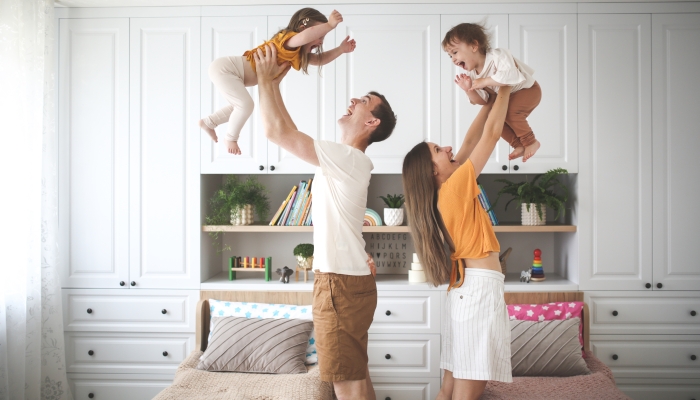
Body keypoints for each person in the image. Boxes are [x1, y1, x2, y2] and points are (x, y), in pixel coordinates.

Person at [253, 44, 397, 400]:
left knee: (345, 384)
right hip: (349, 282)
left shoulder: (346, 158)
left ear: (371, 121)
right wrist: (271, 83)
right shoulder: (346, 159)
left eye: (363, 100)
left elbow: (276, 132)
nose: (353, 100)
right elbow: (286, 128)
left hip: (338, 285)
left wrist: (265, 79)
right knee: (356, 374)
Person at [402, 86, 513, 400]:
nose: (448, 147)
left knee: (450, 386)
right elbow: (489, 137)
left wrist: (487, 103)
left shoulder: (444, 193)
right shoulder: (455, 188)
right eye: (439, 149)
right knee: (467, 388)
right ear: (435, 169)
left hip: (464, 294)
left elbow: (468, 141)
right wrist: (503, 89)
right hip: (477, 292)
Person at [199, 8, 356, 155]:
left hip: (230, 72)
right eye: (319, 35)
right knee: (245, 105)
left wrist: (340, 50)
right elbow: (303, 37)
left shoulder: (295, 54)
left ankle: (209, 122)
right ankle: (230, 138)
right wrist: (329, 25)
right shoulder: (287, 41)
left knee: (239, 106)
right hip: (226, 68)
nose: (321, 41)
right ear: (303, 28)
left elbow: (318, 59)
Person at [444, 22, 541, 161]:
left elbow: (511, 76)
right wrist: (468, 90)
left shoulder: (498, 55)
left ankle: (531, 142)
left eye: (455, 52)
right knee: (494, 119)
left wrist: (484, 81)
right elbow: (484, 101)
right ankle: (518, 144)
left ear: (474, 46)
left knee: (510, 113)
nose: (453, 59)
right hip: (510, 97)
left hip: (527, 90)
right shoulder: (472, 75)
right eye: (450, 56)